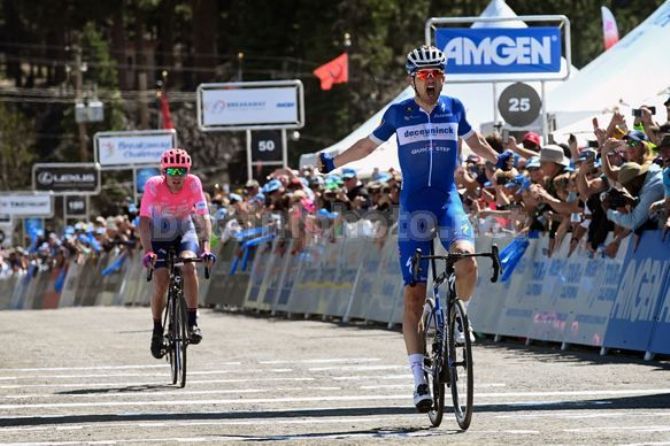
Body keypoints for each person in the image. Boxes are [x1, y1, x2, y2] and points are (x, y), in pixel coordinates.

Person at [317, 44, 499, 412]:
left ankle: (459, 317)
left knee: (468, 262)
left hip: (448, 202)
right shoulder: (399, 113)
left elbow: (473, 140)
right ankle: (418, 378)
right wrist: (332, 161)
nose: (431, 81)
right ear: (412, 80)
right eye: (423, 75)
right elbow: (367, 146)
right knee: (414, 294)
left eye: (436, 75)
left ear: (443, 78)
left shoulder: (455, 108)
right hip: (415, 208)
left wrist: (499, 158)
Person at [139, 148, 216, 359]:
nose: (176, 176)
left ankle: (192, 322)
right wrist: (148, 251)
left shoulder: (193, 183)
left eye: (181, 171)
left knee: (189, 266)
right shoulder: (153, 185)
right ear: (164, 172)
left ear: (187, 171)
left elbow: (203, 217)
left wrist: (206, 248)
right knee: (161, 280)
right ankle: (157, 329)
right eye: (171, 171)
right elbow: (144, 221)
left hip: (184, 228)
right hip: (158, 231)